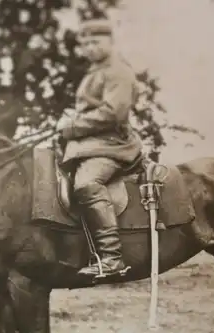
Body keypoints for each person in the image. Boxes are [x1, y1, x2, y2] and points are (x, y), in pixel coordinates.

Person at [56, 18, 143, 278]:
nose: (90, 48)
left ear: (110, 41)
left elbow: (112, 113)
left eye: (96, 42)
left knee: (86, 184)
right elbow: (90, 109)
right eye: (86, 44)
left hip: (112, 146)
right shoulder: (95, 72)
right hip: (90, 145)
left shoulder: (118, 71)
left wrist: (71, 126)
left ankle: (111, 258)